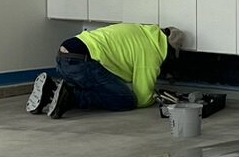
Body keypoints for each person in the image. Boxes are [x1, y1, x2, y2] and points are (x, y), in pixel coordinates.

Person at [27, 23, 188, 118]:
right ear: (170, 51)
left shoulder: (142, 32)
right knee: (126, 100)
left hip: (64, 58)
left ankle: (51, 90)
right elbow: (142, 98)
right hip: (83, 62)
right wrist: (156, 97)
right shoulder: (154, 52)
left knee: (98, 87)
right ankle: (71, 97)